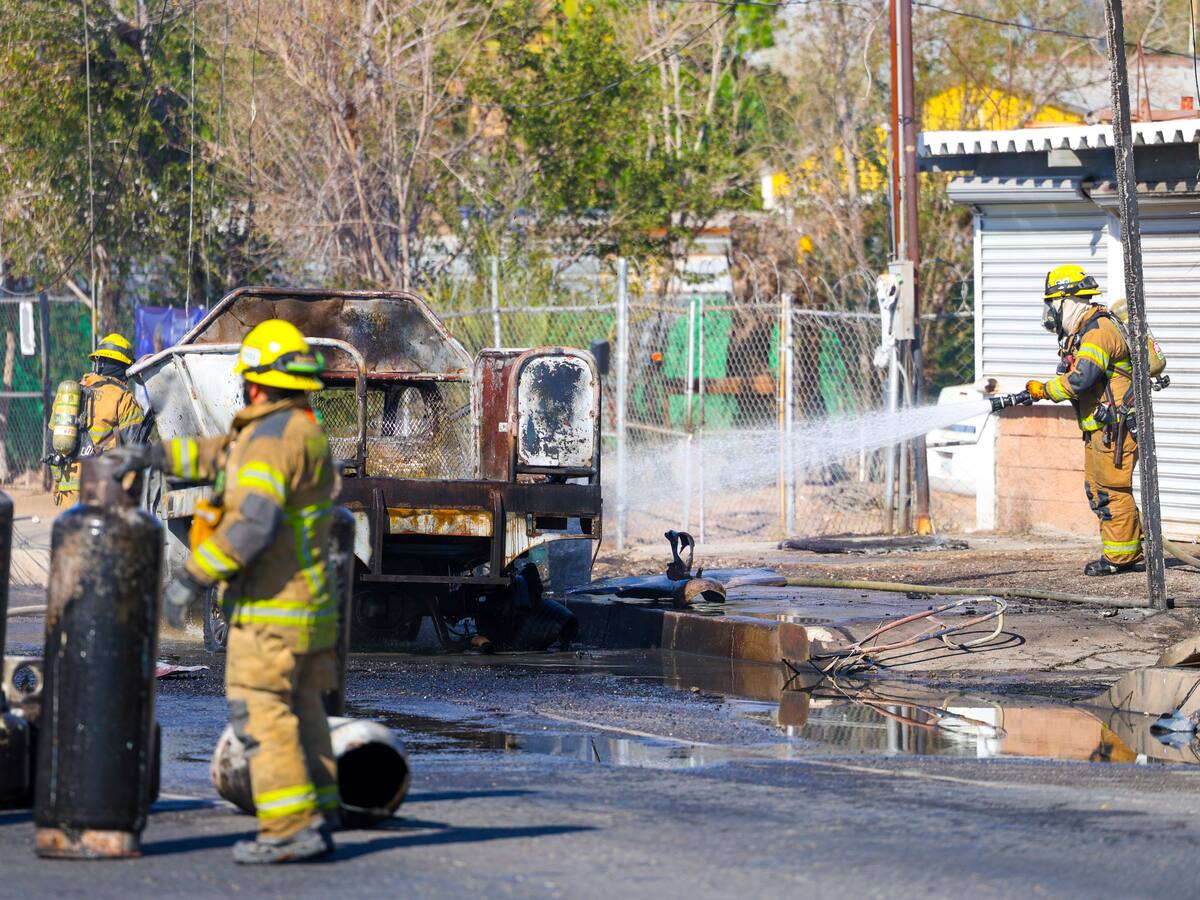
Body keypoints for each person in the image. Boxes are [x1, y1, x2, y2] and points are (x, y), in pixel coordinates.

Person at [114, 319, 339, 864]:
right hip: (308, 608)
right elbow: (219, 455)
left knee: (259, 711)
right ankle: (325, 809)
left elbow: (251, 526)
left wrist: (192, 578)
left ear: (258, 383)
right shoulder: (296, 430)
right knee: (302, 708)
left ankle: (289, 828)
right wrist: (155, 457)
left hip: (270, 609)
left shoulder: (271, 441)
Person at [1025, 264, 1142, 576]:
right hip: (1100, 429)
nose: (1050, 312)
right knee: (1097, 489)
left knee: (1111, 490)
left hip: (1115, 430)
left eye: (1053, 303)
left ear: (1070, 300)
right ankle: (1129, 544)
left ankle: (1120, 559)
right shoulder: (1081, 331)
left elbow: (1082, 379)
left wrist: (1046, 391)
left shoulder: (1098, 332)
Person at [48, 332, 144, 506]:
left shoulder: (69, 393)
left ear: (97, 362)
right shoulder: (123, 398)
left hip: (67, 489)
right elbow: (137, 446)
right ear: (125, 368)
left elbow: (51, 442)